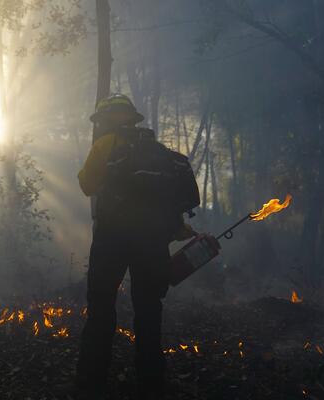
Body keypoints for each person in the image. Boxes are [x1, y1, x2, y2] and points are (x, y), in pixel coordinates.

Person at [74, 94, 207, 400]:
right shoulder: (158, 154)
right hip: (152, 243)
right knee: (148, 310)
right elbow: (164, 204)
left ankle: (91, 382)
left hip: (112, 239)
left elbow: (86, 186)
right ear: (132, 119)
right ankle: (150, 382)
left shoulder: (105, 145)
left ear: (106, 120)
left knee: (101, 308)